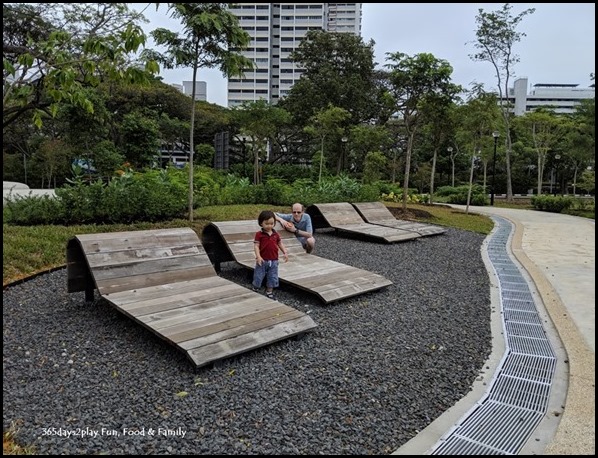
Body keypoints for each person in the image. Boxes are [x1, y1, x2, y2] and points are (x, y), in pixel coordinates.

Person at [252, 210, 289, 299]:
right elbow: (256, 246)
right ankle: (256, 287)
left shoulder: (276, 234)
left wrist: (285, 252)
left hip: (274, 260)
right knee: (259, 274)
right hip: (262, 259)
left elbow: (280, 243)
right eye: (267, 224)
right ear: (261, 223)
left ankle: (269, 291)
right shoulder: (259, 234)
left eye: (272, 223)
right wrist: (258, 256)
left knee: (273, 275)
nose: (269, 226)